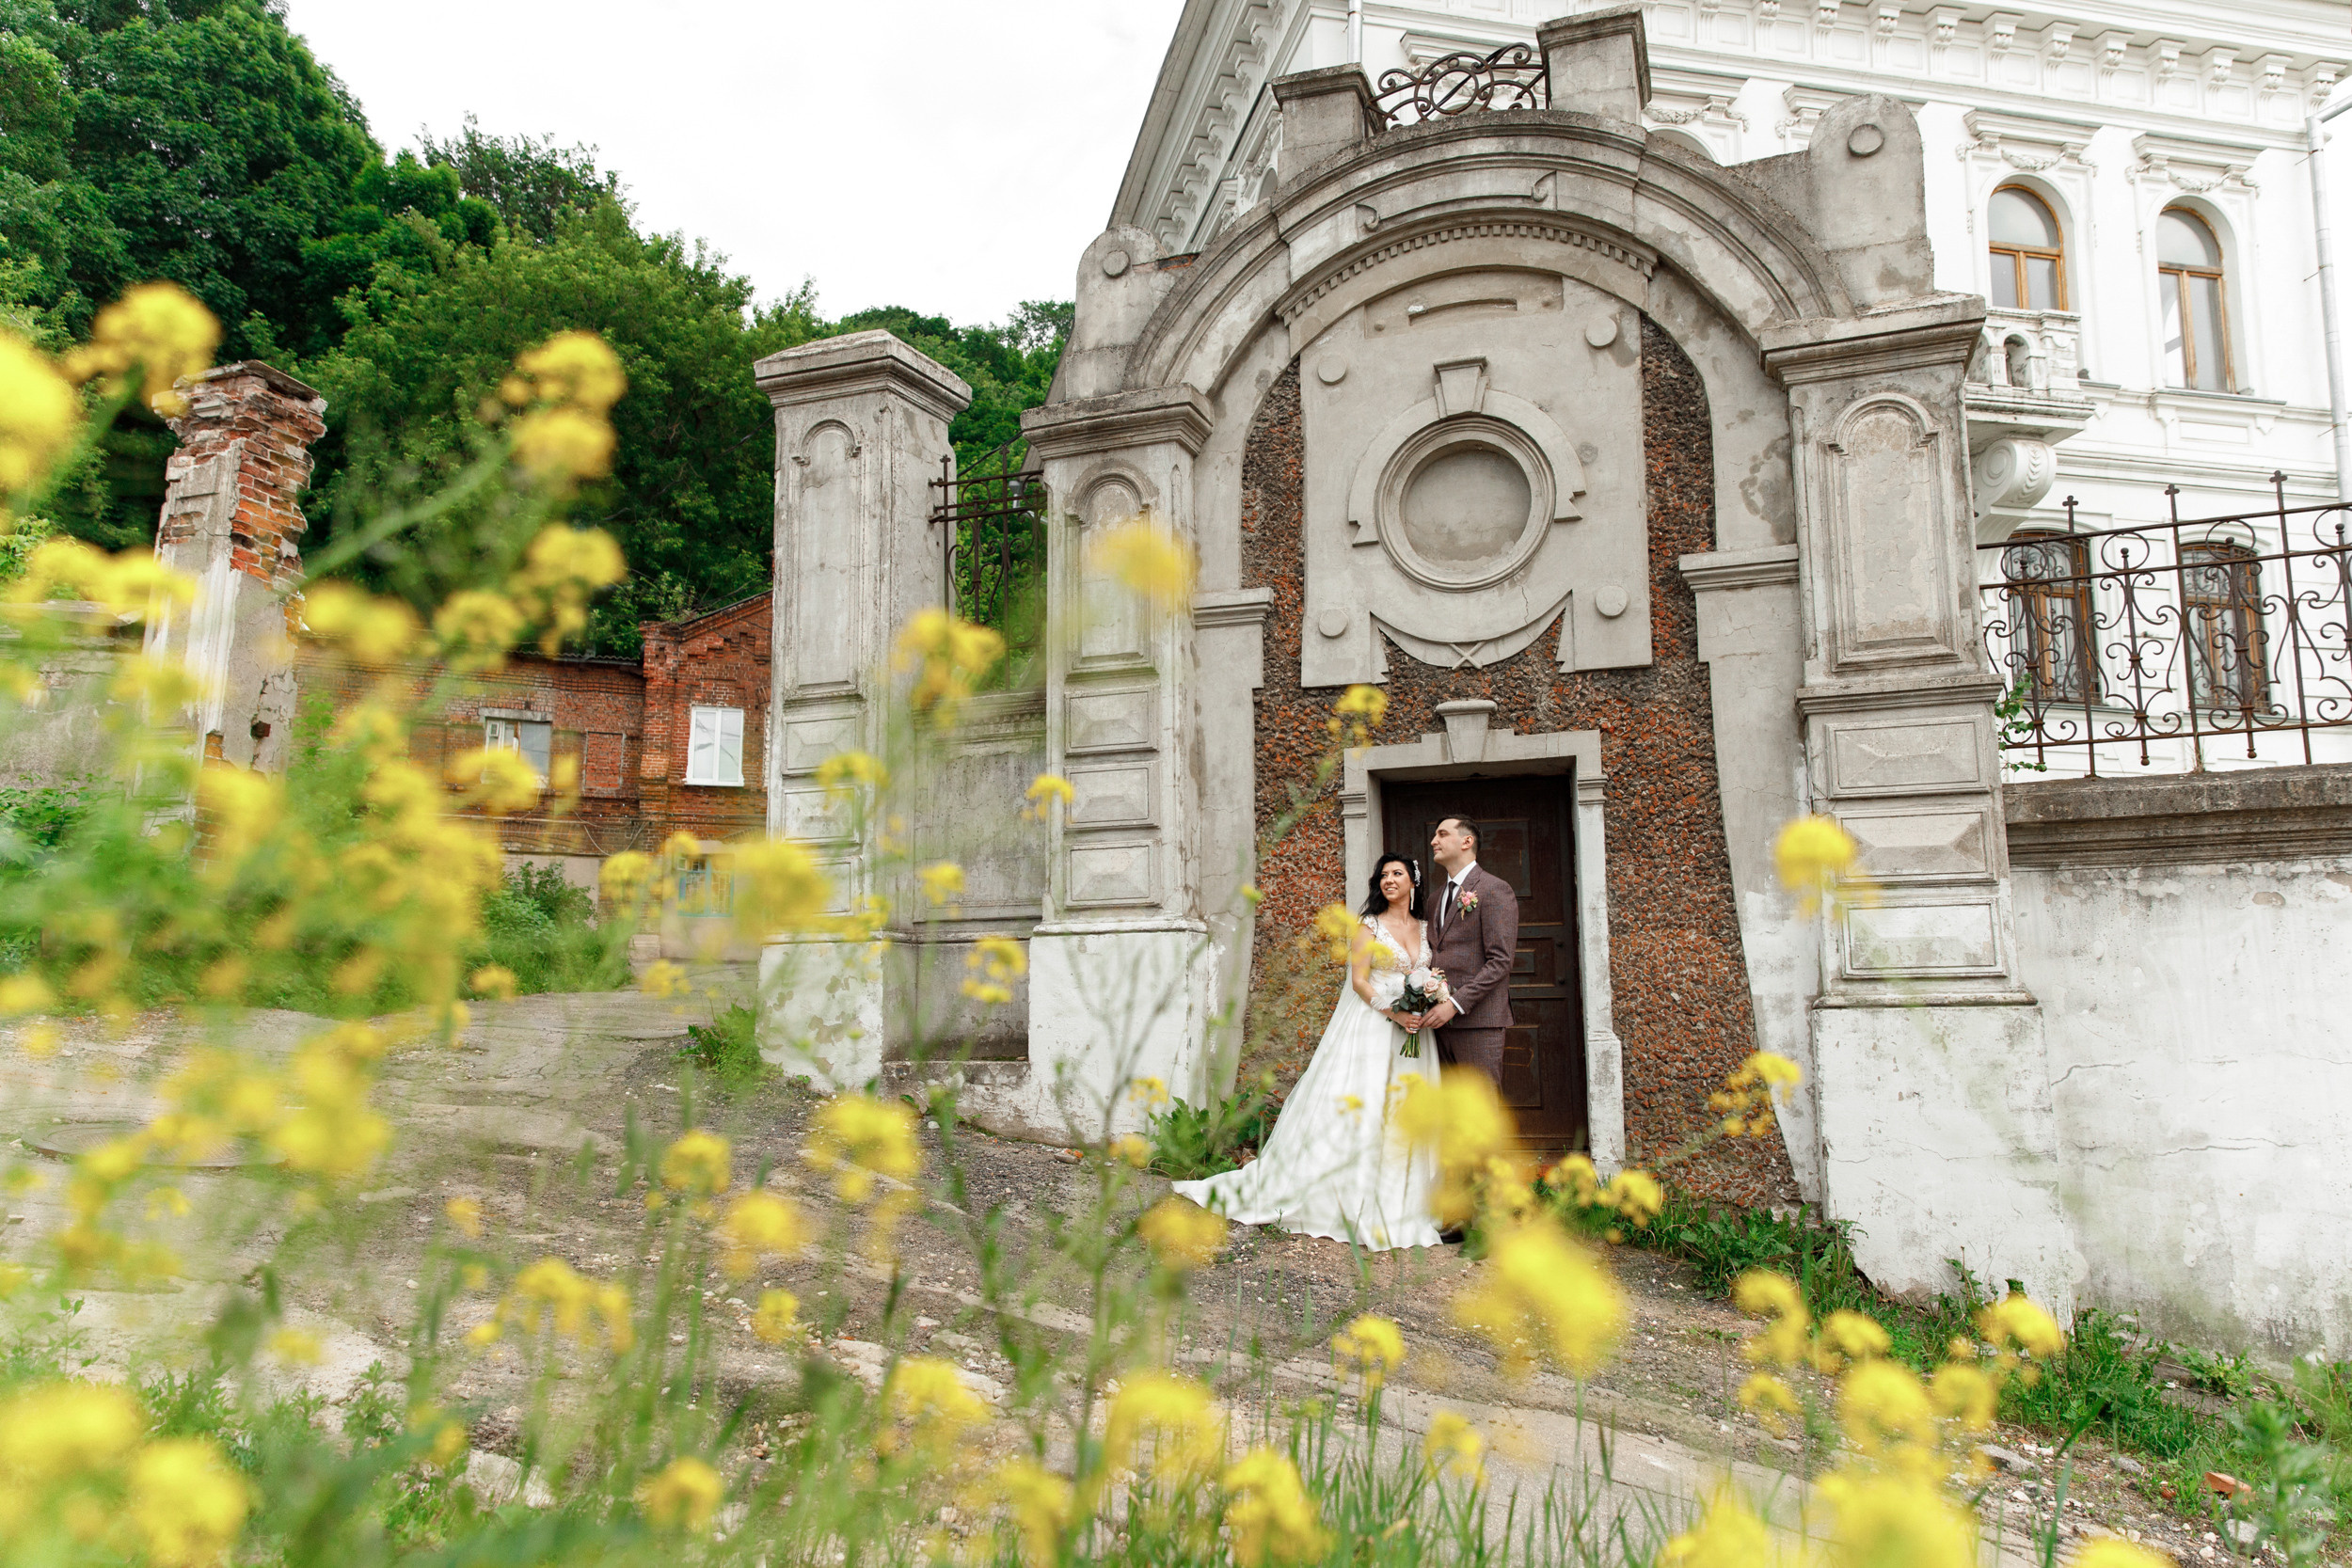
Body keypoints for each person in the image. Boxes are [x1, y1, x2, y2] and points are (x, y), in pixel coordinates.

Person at [1170, 853, 1441, 1250]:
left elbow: (1430, 974)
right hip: (1375, 1025)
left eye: (1397, 874)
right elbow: (1360, 981)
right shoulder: (1369, 926)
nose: (1389, 880)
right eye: (1383, 875)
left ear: (1413, 882)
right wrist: (1393, 1012)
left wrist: (1428, 997)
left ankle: (1404, 1200)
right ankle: (1349, 1197)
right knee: (1366, 1105)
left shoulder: (1426, 927)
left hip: (1414, 1035)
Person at [1393, 816, 1518, 1085]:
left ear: (1466, 841)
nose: (1433, 841)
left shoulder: (1494, 889)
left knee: (1480, 1103)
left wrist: (1455, 1004)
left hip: (1478, 1022)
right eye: (1434, 835)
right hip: (1436, 1025)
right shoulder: (1435, 898)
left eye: (1442, 834)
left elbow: (1500, 961)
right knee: (1449, 1104)